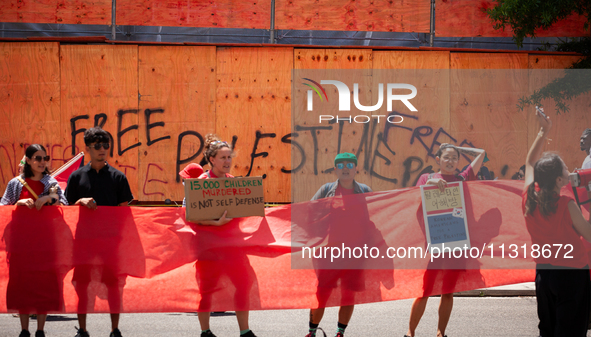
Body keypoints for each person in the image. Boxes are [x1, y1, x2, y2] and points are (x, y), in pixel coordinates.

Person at [406, 143, 486, 337]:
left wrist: (454, 146)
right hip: (434, 243)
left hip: (456, 243)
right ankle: (410, 332)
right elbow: (412, 198)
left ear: (458, 161)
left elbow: (482, 154)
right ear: (438, 160)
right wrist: (431, 185)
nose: (450, 161)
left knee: (448, 292)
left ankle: (441, 333)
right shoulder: (427, 178)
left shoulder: (462, 178)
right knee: (425, 290)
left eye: (454, 158)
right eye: (446, 157)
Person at [523, 109, 591, 336]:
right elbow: (589, 235)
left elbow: (529, 162)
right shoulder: (566, 204)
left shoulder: (529, 199)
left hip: (544, 273)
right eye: (564, 167)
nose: (568, 168)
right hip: (571, 275)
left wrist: (544, 130)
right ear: (559, 180)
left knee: (548, 329)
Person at [65, 127, 134, 337]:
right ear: (87, 149)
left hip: (111, 242)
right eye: (97, 146)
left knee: (113, 286)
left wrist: (122, 241)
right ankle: (82, 330)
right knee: (82, 285)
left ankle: (115, 329)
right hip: (84, 240)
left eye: (106, 145)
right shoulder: (76, 177)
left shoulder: (118, 177)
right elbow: (66, 208)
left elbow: (125, 212)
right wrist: (79, 201)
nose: (102, 149)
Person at [1, 144, 68, 337]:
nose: (42, 162)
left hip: (46, 243)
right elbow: (3, 207)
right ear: (28, 160)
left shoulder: (50, 182)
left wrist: (48, 198)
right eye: (37, 158)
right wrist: (17, 203)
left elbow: (64, 203)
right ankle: (24, 330)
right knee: (22, 283)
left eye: (44, 158)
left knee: (43, 283)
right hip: (21, 243)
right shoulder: (16, 183)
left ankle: (40, 329)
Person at [194, 134, 257, 337]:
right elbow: (189, 215)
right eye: (223, 158)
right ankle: (205, 331)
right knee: (207, 290)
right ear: (212, 160)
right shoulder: (201, 182)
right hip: (209, 248)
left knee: (243, 284)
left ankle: (245, 331)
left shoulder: (234, 183)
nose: (228, 162)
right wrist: (215, 223)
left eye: (229, 157)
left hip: (232, 246)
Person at [306, 152, 372, 337]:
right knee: (322, 293)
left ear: (356, 168)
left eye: (350, 165)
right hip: (330, 253)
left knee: (348, 293)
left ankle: (340, 333)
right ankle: (312, 331)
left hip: (356, 253)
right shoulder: (326, 190)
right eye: (341, 165)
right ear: (335, 169)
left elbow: (377, 215)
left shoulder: (365, 191)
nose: (345, 169)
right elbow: (310, 213)